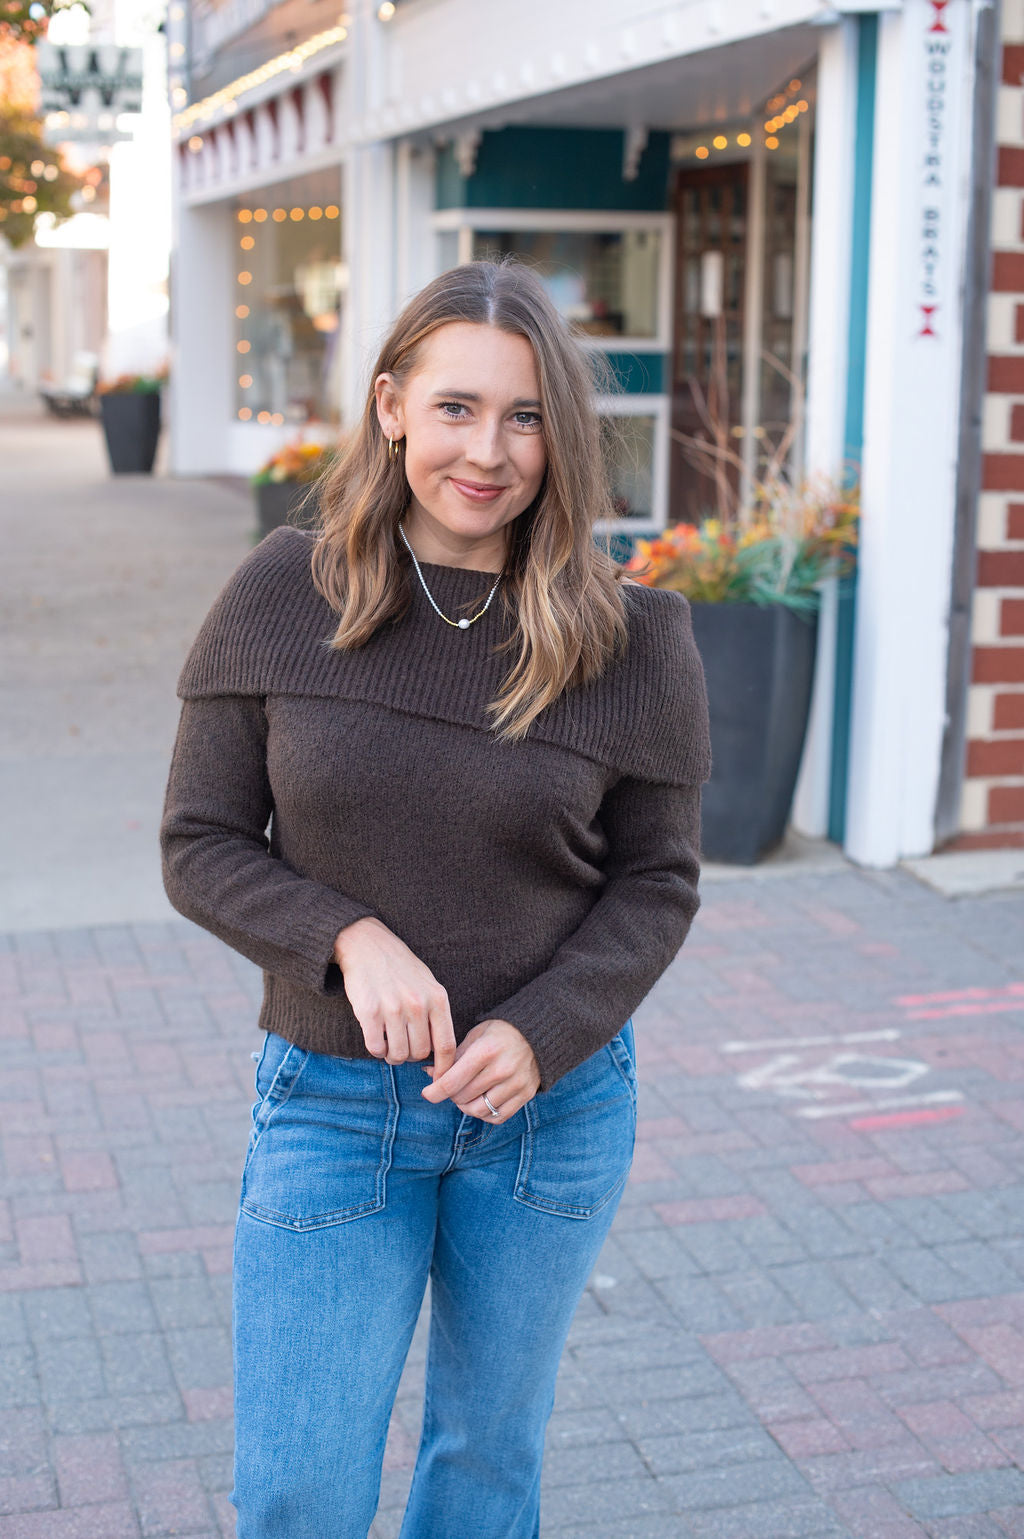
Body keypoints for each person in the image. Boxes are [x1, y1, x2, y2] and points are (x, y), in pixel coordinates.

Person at [159, 257, 712, 1539]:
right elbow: (199, 842)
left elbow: (656, 881)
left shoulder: (632, 640)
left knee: (482, 1472)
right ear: (392, 403)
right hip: (334, 1104)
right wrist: (344, 940)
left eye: (525, 417)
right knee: (299, 1489)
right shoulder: (282, 593)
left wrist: (544, 1029)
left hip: (549, 1112)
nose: (490, 451)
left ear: (562, 437)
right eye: (458, 407)